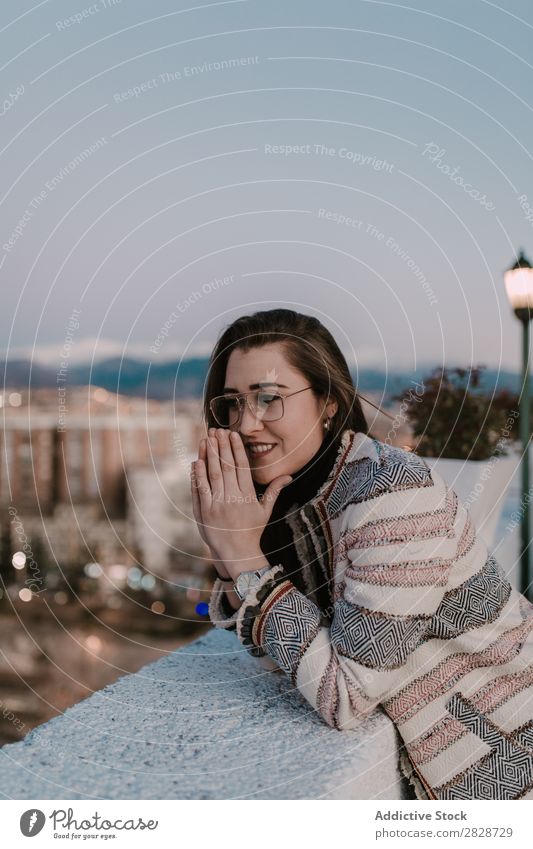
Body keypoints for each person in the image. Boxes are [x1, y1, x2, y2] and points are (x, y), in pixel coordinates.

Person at [190, 308, 533, 801]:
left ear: (328, 402)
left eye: (270, 398)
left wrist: (245, 562)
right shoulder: (300, 502)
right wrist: (232, 551)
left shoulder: (391, 494)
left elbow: (346, 697)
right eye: (233, 403)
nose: (247, 423)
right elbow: (283, 656)